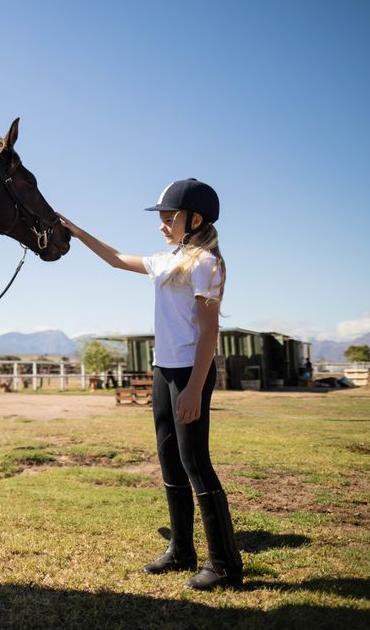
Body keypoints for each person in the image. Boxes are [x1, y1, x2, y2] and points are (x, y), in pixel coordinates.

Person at [59, 178, 243, 590]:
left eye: (168, 218)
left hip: (189, 372)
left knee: (195, 461)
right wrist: (76, 230)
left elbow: (210, 332)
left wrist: (195, 387)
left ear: (194, 219)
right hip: (164, 369)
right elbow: (115, 259)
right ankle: (181, 551)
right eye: (160, 219)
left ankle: (226, 565)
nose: (162, 225)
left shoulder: (206, 264)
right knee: (169, 459)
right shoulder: (168, 260)